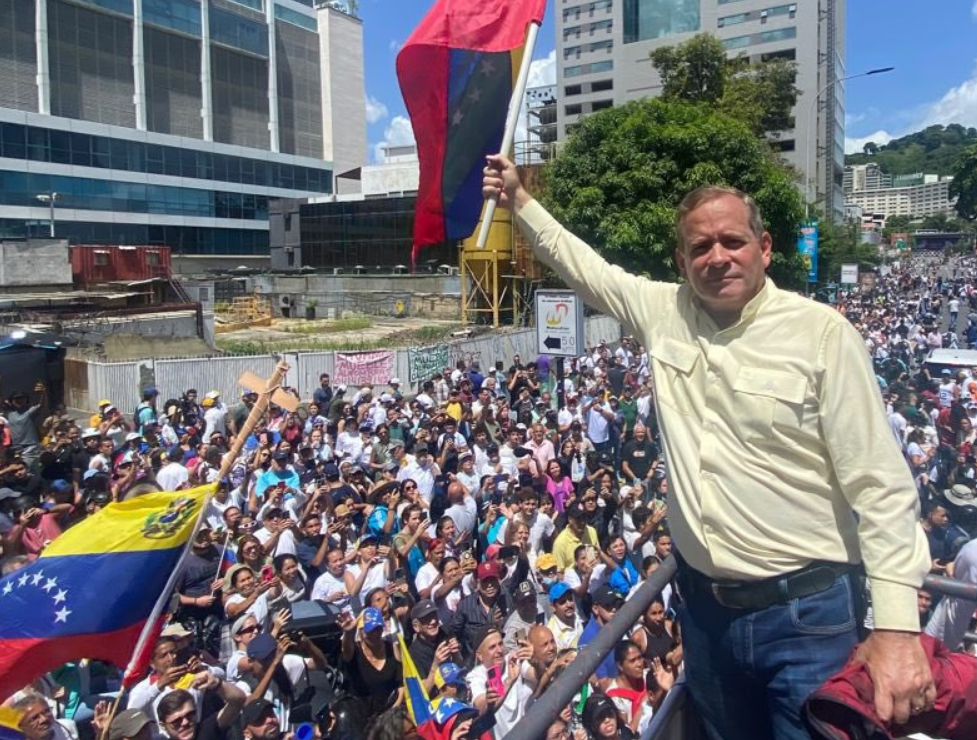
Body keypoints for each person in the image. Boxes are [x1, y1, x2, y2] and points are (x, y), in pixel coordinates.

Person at [483, 154, 934, 736]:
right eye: (700, 247)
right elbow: (582, 264)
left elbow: (881, 485)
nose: (717, 257)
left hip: (809, 618)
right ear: (682, 261)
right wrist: (519, 199)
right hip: (704, 616)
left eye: (732, 241)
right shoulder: (662, 311)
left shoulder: (823, 334)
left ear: (764, 247)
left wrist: (897, 629)